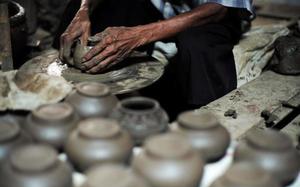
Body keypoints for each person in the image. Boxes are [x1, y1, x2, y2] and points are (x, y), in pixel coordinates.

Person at [54, 0, 253, 120]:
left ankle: (206, 122)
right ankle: (62, 97)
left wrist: (139, 35)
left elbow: (219, 8)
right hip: (154, 7)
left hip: (208, 13)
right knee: (83, 9)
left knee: (197, 44)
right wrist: (83, 10)